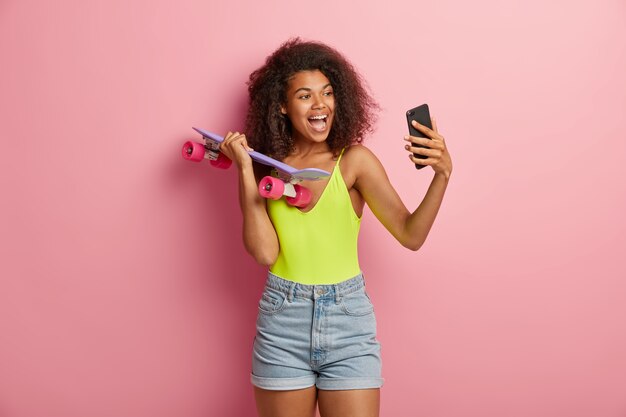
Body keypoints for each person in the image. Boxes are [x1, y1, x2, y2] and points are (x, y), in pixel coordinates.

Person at [218, 38, 452, 417]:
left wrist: (441, 175)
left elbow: (411, 235)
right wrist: (245, 171)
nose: (320, 105)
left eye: (327, 93)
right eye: (305, 96)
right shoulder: (270, 167)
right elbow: (264, 253)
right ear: (281, 104)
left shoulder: (354, 161)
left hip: (348, 320)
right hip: (283, 321)